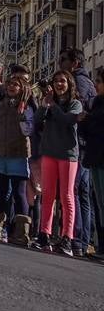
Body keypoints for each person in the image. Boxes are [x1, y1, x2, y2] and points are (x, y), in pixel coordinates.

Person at [0, 75, 34, 245]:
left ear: (22, 88)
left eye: (15, 84)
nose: (11, 86)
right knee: (0, 192)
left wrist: (22, 115)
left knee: (18, 192)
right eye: (9, 84)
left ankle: (20, 233)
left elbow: (27, 131)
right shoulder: (1, 106)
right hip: (0, 153)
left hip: (18, 154)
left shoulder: (26, 107)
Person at [33, 70, 82, 256]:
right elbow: (37, 121)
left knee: (67, 196)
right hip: (49, 152)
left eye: (62, 81)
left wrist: (52, 105)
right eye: (56, 81)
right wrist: (44, 105)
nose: (59, 84)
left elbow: (67, 120)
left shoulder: (75, 104)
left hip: (68, 155)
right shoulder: (49, 102)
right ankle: (44, 234)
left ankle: (67, 238)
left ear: (69, 84)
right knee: (47, 195)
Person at [58, 47, 96, 258]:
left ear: (75, 63)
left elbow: (79, 114)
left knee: (74, 191)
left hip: (79, 145)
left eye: (63, 60)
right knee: (81, 194)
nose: (60, 63)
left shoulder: (79, 83)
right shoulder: (85, 82)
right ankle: (81, 240)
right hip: (83, 145)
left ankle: (76, 238)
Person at [79, 66, 104, 251]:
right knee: (99, 201)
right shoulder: (96, 103)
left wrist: (90, 121)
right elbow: (88, 132)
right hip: (95, 156)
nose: (95, 85)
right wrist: (85, 121)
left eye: (99, 81)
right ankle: (101, 245)